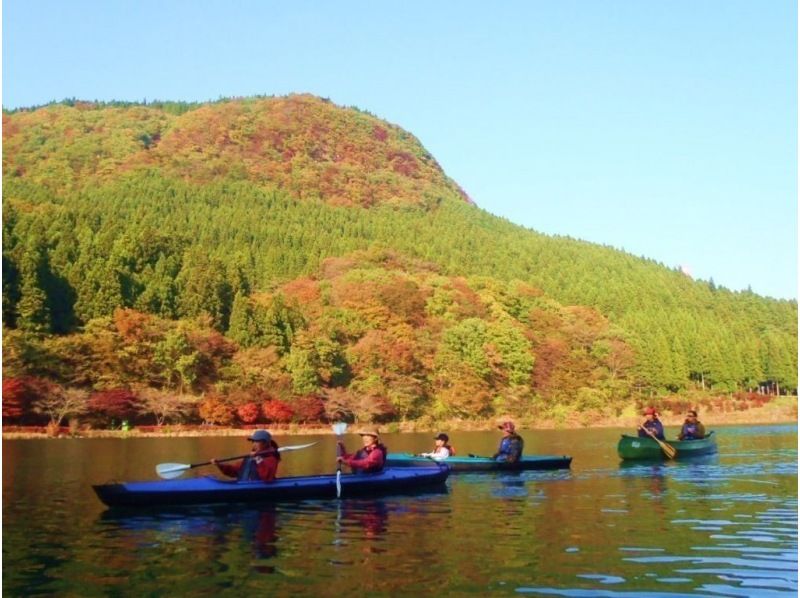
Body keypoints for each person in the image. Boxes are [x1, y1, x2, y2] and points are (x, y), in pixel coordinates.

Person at [211, 429, 280, 482]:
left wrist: (258, 459)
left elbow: (267, 478)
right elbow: (234, 471)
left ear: (265, 443)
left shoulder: (271, 458)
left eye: (257, 441)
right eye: (253, 441)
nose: (254, 444)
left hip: (259, 488)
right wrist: (219, 465)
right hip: (245, 485)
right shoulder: (250, 458)